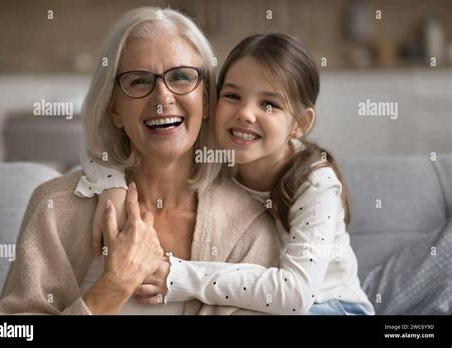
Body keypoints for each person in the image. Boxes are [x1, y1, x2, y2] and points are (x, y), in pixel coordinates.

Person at [0, 7, 280, 316]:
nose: (162, 97)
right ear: (114, 109)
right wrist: (113, 287)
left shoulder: (249, 225)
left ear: (207, 101)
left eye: (182, 77)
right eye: (139, 81)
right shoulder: (55, 207)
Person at [89, 33, 375, 315]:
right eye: (233, 96)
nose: (245, 113)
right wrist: (111, 185)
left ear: (300, 123)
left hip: (330, 306)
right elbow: (104, 146)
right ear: (212, 102)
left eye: (269, 104)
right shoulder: (222, 152)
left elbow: (295, 295)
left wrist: (181, 277)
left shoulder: (316, 184)